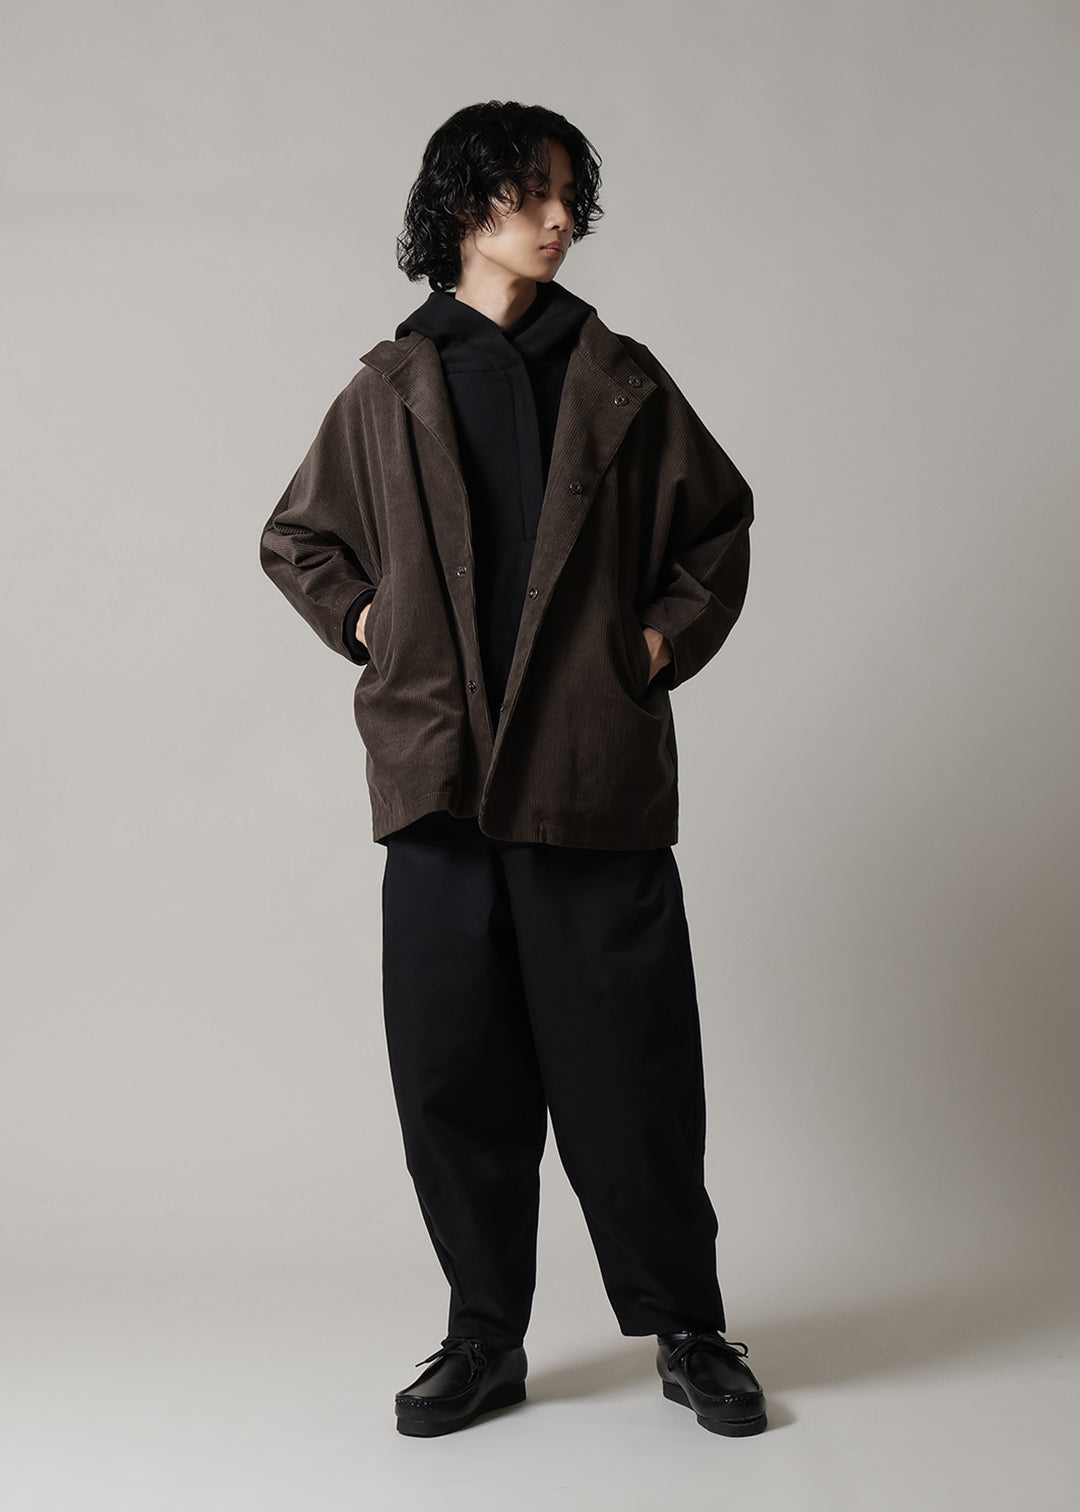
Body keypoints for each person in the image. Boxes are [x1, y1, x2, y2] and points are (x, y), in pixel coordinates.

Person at [259, 100, 766, 1438]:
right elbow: (299, 539)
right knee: (455, 1080)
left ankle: (689, 1329)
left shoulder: (619, 377)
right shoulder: (390, 385)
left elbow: (717, 526)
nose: (559, 219)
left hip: (590, 780)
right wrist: (373, 627)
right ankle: (484, 1336)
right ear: (462, 206)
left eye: (565, 196)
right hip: (439, 789)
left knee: (633, 1076)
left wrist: (653, 644)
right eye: (529, 194)